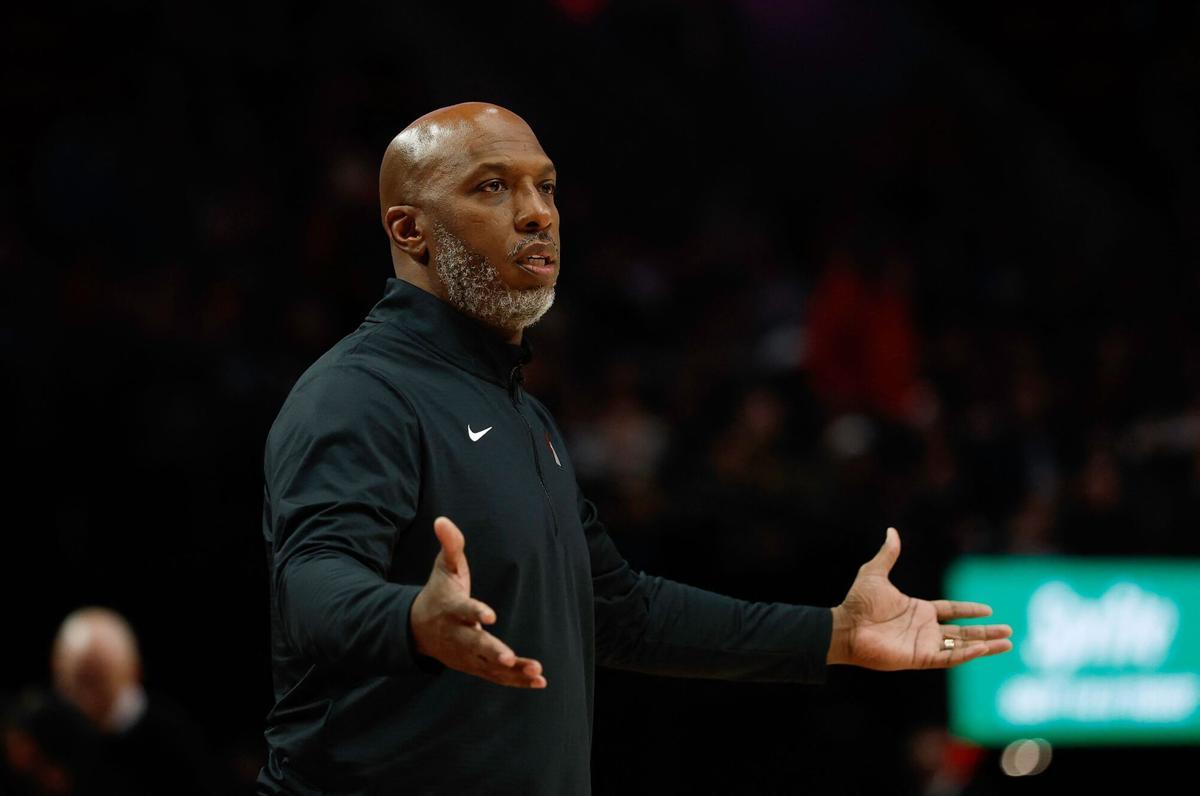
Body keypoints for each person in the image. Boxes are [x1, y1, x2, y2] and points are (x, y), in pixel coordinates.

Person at [257, 102, 1013, 795]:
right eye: (493, 188)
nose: (537, 215)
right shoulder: (360, 394)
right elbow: (313, 584)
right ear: (409, 229)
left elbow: (622, 613)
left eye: (546, 188)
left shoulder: (525, 416)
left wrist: (833, 636)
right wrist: (412, 621)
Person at [50, 607, 215, 795]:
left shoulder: (174, 740)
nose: (85, 698)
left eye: (96, 681)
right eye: (74, 682)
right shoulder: (55, 735)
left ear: (133, 672)